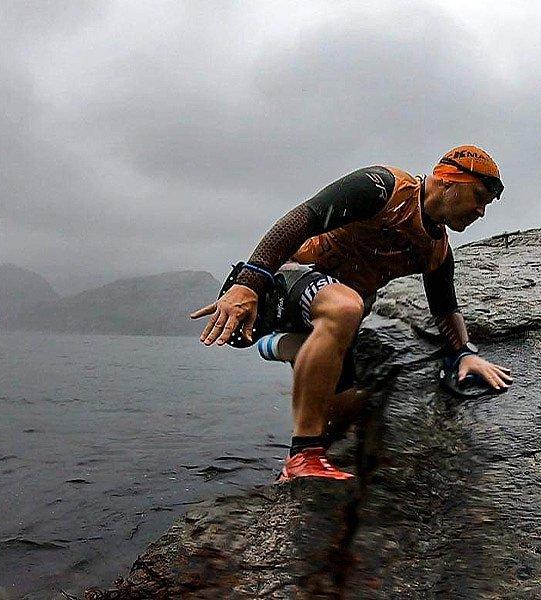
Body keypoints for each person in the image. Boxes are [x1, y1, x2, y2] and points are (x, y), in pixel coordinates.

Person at [190, 145, 513, 482]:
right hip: (289, 280)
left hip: (332, 315)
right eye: (478, 196)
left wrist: (463, 353)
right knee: (345, 305)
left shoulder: (435, 250)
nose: (481, 211)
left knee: (349, 409)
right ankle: (302, 455)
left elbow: (445, 308)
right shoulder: (383, 188)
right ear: (449, 181)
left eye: (486, 205)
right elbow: (300, 220)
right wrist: (248, 285)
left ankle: (286, 347)